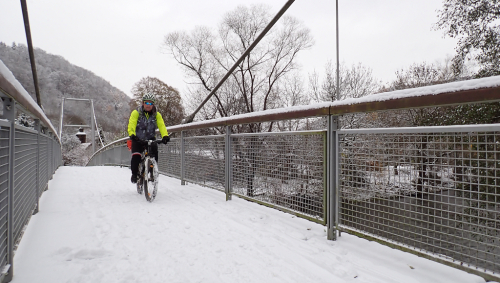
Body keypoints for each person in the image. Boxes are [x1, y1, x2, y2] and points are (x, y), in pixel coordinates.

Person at [127, 93, 170, 183]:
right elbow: (132, 124)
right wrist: (132, 134)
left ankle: (152, 172)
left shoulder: (156, 115)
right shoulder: (136, 112)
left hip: (150, 139)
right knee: (136, 157)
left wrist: (165, 135)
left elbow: (161, 125)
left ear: (153, 104)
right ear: (143, 103)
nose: (148, 105)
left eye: (151, 103)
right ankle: (134, 174)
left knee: (154, 155)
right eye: (147, 103)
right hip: (138, 139)